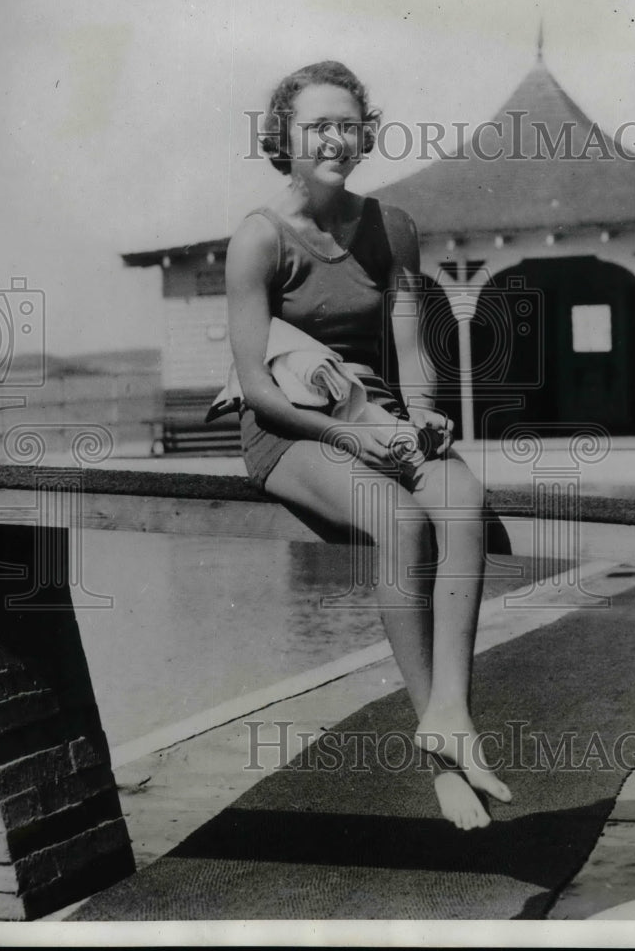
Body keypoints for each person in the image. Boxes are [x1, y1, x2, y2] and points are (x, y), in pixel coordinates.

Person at [226, 60, 512, 830]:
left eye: (349, 124)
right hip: (292, 430)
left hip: (377, 415)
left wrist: (424, 415)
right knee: (403, 522)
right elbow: (256, 389)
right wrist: (349, 438)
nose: (337, 138)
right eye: (319, 124)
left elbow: (410, 350)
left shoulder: (393, 227)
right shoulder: (258, 240)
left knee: (461, 498)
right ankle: (440, 759)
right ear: (283, 138)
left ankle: (449, 711)